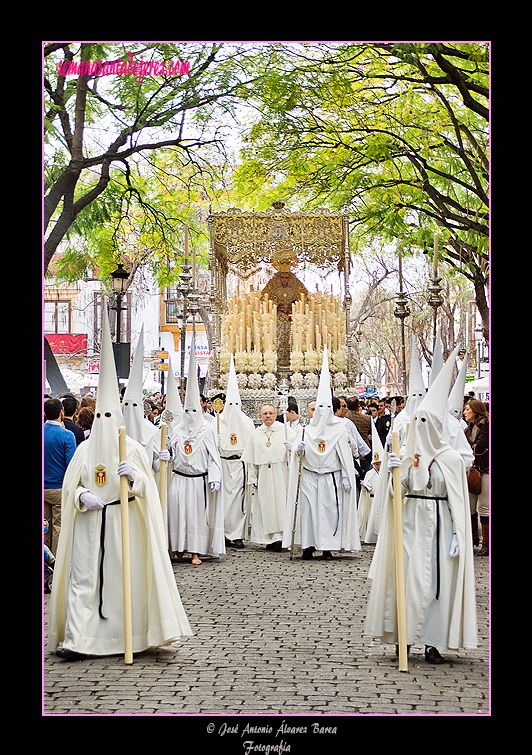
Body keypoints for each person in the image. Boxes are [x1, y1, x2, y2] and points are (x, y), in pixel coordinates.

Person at [48, 302, 193, 659]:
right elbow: (71, 484)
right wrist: (82, 497)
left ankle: (127, 637)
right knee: (84, 581)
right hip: (90, 523)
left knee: (119, 584)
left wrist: (138, 478)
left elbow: (148, 491)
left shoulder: (133, 448)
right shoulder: (84, 449)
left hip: (124, 523)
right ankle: (79, 640)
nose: (109, 420)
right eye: (104, 414)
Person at [365, 347, 477, 664]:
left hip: (441, 528)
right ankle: (403, 637)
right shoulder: (407, 458)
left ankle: (433, 641)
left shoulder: (453, 460)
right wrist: (396, 473)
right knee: (409, 582)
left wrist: (459, 535)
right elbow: (393, 495)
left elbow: (457, 500)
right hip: (411, 525)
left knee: (437, 586)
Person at [282, 347, 361, 560]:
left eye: (327, 407)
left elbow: (346, 457)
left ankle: (328, 546)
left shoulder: (339, 429)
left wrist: (346, 476)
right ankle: (308, 545)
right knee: (308, 511)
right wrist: (296, 451)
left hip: (331, 477)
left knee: (329, 511)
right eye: (320, 408)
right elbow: (298, 454)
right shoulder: (305, 430)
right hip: (309, 476)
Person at [167, 342, 225, 565]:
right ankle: (178, 547)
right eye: (187, 410)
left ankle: (195, 551)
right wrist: (166, 452)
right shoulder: (177, 429)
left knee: (196, 517)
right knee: (177, 514)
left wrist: (215, 478)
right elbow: (171, 453)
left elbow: (213, 457)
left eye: (194, 410)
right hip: (179, 479)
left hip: (197, 481)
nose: (190, 414)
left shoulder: (208, 430)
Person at [241, 403, 295, 552]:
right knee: (266, 506)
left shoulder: (285, 430)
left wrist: (291, 450)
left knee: (281, 505)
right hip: (263, 474)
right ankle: (269, 538)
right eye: (265, 414)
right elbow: (251, 460)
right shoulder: (256, 433)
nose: (268, 416)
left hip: (282, 473)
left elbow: (296, 452)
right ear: (260, 416)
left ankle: (283, 537)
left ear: (275, 415)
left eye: (270, 413)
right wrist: (252, 478)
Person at [218, 356, 255, 548]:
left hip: (240, 464)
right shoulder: (218, 420)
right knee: (224, 499)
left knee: (239, 500)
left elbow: (252, 444)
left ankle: (237, 534)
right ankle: (223, 533)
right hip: (223, 463)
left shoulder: (247, 422)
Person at [44, 398, 77, 558]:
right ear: (61, 413)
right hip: (59, 488)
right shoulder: (67, 436)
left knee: (44, 528)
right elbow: (71, 465)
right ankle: (55, 565)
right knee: (58, 528)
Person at [464, 399, 489, 555]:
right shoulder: (468, 429)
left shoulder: (486, 426)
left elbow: (479, 447)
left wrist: (470, 448)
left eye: (468, 409)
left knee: (484, 507)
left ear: (476, 411)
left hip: (485, 470)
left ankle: (486, 543)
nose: (465, 412)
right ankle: (472, 540)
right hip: (471, 471)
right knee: (470, 506)